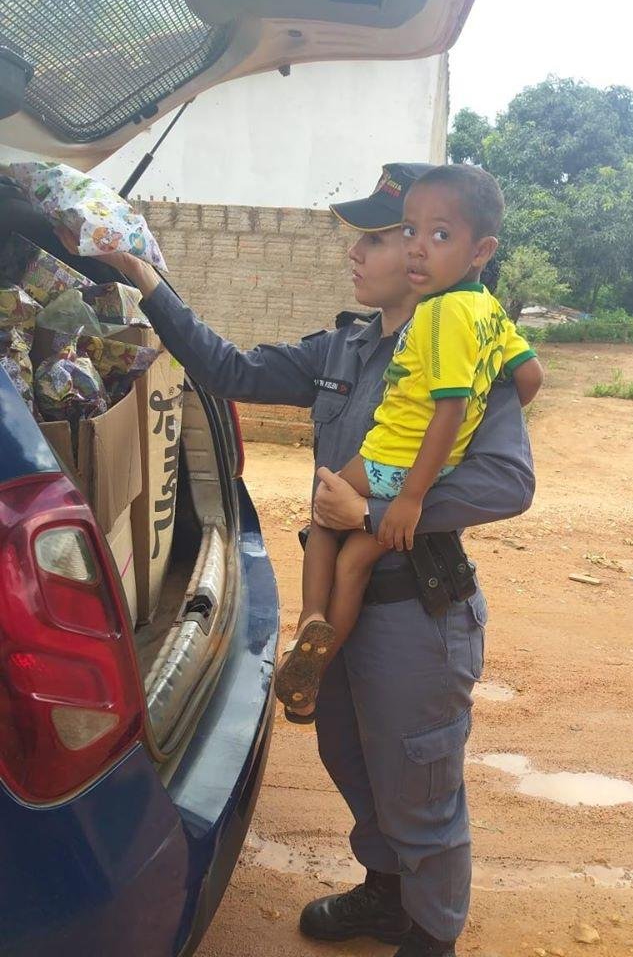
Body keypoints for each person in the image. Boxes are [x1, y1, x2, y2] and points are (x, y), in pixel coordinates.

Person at [82, 162, 535, 957]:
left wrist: (373, 514)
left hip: (415, 610)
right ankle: (387, 894)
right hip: (343, 615)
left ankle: (432, 934)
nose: (357, 253)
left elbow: (508, 481)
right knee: (348, 754)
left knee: (418, 781)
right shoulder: (344, 347)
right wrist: (147, 282)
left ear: (433, 254)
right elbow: (229, 369)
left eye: (378, 238)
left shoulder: (467, 349)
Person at [276, 164, 542, 721]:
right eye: (411, 232)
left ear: (480, 250)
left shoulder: (440, 312)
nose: (419, 247)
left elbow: (448, 408)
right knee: (356, 561)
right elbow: (529, 376)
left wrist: (411, 498)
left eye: (439, 235)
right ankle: (316, 669)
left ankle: (310, 621)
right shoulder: (488, 311)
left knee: (325, 513)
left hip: (394, 462)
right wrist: (485, 407)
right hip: (436, 469)